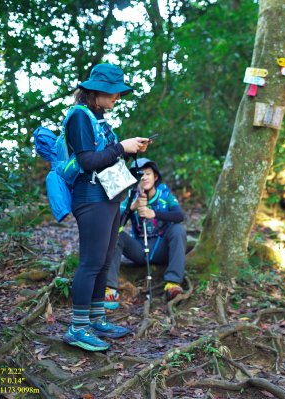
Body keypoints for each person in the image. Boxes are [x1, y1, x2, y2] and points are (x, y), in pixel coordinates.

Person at [63, 63, 151, 352]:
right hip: (91, 198)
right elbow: (88, 161)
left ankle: (97, 318)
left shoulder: (98, 118)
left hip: (110, 198)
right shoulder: (79, 117)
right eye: (113, 94)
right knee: (90, 262)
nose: (117, 98)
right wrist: (121, 147)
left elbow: (108, 156)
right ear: (96, 91)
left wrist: (130, 147)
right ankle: (77, 328)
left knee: (103, 260)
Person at [104, 157, 187, 310]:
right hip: (139, 250)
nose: (144, 177)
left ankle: (172, 284)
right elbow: (115, 224)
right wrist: (132, 207)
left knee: (178, 230)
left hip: (161, 247)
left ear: (155, 177)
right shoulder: (130, 196)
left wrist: (154, 213)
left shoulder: (164, 193)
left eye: (148, 173)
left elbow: (179, 216)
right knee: (116, 235)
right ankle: (110, 289)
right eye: (139, 174)